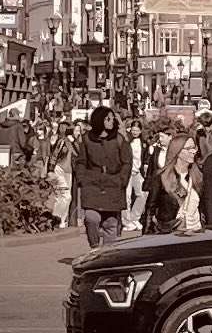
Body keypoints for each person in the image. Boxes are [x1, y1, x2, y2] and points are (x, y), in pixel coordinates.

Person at [74, 106, 131, 248]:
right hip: (92, 184)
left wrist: (122, 180)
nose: (111, 122)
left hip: (113, 184)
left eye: (112, 119)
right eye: (107, 119)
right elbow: (81, 161)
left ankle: (107, 253)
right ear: (99, 120)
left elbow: (127, 162)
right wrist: (82, 179)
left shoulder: (119, 139)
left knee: (110, 222)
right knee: (92, 217)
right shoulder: (87, 139)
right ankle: (94, 246)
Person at [143, 133, 204, 234]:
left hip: (196, 233)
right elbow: (150, 208)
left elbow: (204, 208)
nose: (193, 152)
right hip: (171, 233)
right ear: (178, 151)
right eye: (189, 148)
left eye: (194, 148)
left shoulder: (198, 177)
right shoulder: (161, 177)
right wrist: (146, 236)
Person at [47, 121, 78, 229]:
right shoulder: (62, 141)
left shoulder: (73, 142)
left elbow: (79, 153)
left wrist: (74, 142)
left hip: (69, 172)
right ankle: (57, 218)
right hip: (59, 170)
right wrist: (50, 169)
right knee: (66, 196)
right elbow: (54, 154)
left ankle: (61, 220)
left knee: (63, 196)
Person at [122, 119, 147, 232]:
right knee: (126, 197)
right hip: (127, 172)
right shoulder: (127, 140)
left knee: (142, 194)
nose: (135, 132)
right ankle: (127, 221)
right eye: (133, 130)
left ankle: (135, 217)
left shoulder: (143, 142)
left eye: (137, 130)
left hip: (137, 171)